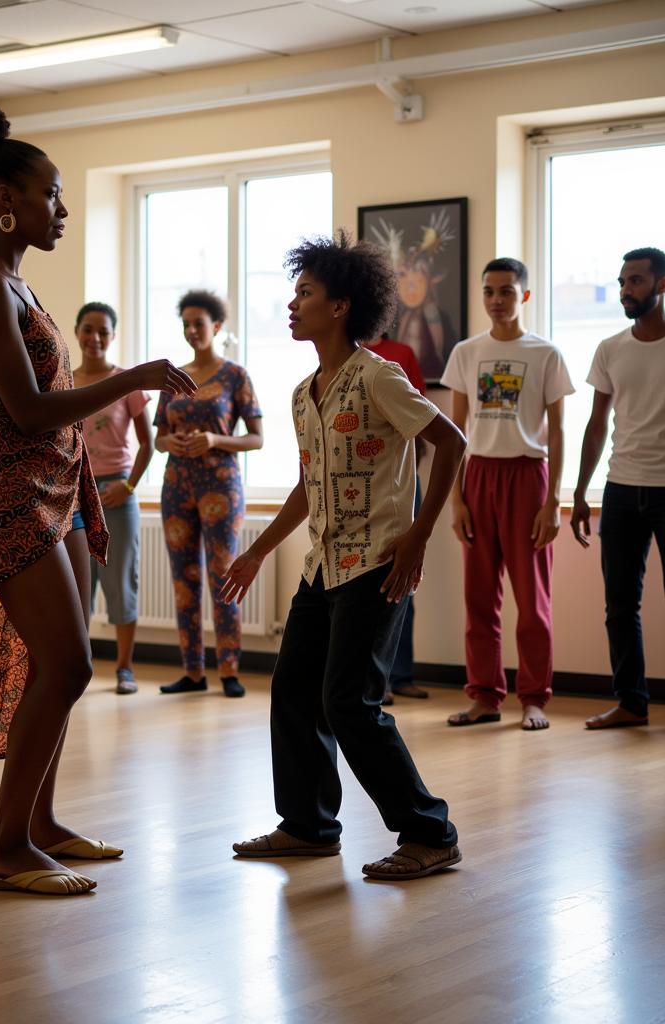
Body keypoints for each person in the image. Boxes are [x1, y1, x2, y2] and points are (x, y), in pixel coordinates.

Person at [0, 104, 194, 897]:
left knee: (64, 660)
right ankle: (5, 848)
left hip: (54, 487)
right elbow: (28, 410)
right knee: (69, 667)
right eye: (52, 195)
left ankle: (39, 825)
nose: (62, 211)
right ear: (7, 197)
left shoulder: (18, 283)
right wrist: (131, 378)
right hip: (6, 491)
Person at [222, 231, 465, 881]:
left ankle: (430, 832)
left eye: (305, 292)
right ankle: (308, 825)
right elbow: (310, 486)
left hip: (377, 564)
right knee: (295, 693)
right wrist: (258, 552)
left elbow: (450, 442)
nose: (292, 304)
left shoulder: (378, 377)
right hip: (322, 566)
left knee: (350, 703)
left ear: (341, 306)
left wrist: (417, 534)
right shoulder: (306, 393)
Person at [572, 246, 665, 740]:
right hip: (621, 489)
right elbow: (595, 426)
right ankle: (631, 702)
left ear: (662, 284)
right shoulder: (610, 348)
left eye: (635, 280)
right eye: (622, 281)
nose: (625, 289)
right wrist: (583, 491)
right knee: (619, 604)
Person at [442, 258, 573, 731]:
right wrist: (456, 499)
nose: (497, 301)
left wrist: (554, 501)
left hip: (528, 477)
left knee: (532, 602)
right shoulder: (466, 352)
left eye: (507, 292)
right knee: (479, 600)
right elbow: (457, 430)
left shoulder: (545, 353)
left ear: (525, 297)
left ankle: (534, 698)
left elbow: (557, 432)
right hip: (478, 477)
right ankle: (484, 696)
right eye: (489, 292)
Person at [155, 289, 263, 699]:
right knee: (184, 580)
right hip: (176, 486)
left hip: (221, 487)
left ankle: (229, 670)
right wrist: (172, 445)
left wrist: (214, 440)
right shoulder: (173, 378)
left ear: (216, 326)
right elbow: (160, 437)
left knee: (223, 576)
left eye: (198, 323)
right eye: (185, 324)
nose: (191, 330)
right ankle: (193, 672)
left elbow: (257, 438)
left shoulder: (235, 375)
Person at [72, 301, 152, 695]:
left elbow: (147, 446)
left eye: (104, 331)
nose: (95, 338)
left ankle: (125, 669)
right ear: (76, 332)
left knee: (122, 583)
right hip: (73, 496)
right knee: (77, 589)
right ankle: (76, 667)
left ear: (113, 336)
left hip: (118, 493)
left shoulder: (127, 382)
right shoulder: (63, 383)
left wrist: (130, 486)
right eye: (88, 329)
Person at [363, 332, 428, 702]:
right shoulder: (342, 354)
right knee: (367, 582)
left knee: (404, 575)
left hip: (403, 479)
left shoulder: (400, 354)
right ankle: (377, 679)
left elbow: (420, 418)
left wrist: (410, 474)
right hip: (363, 482)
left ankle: (402, 674)